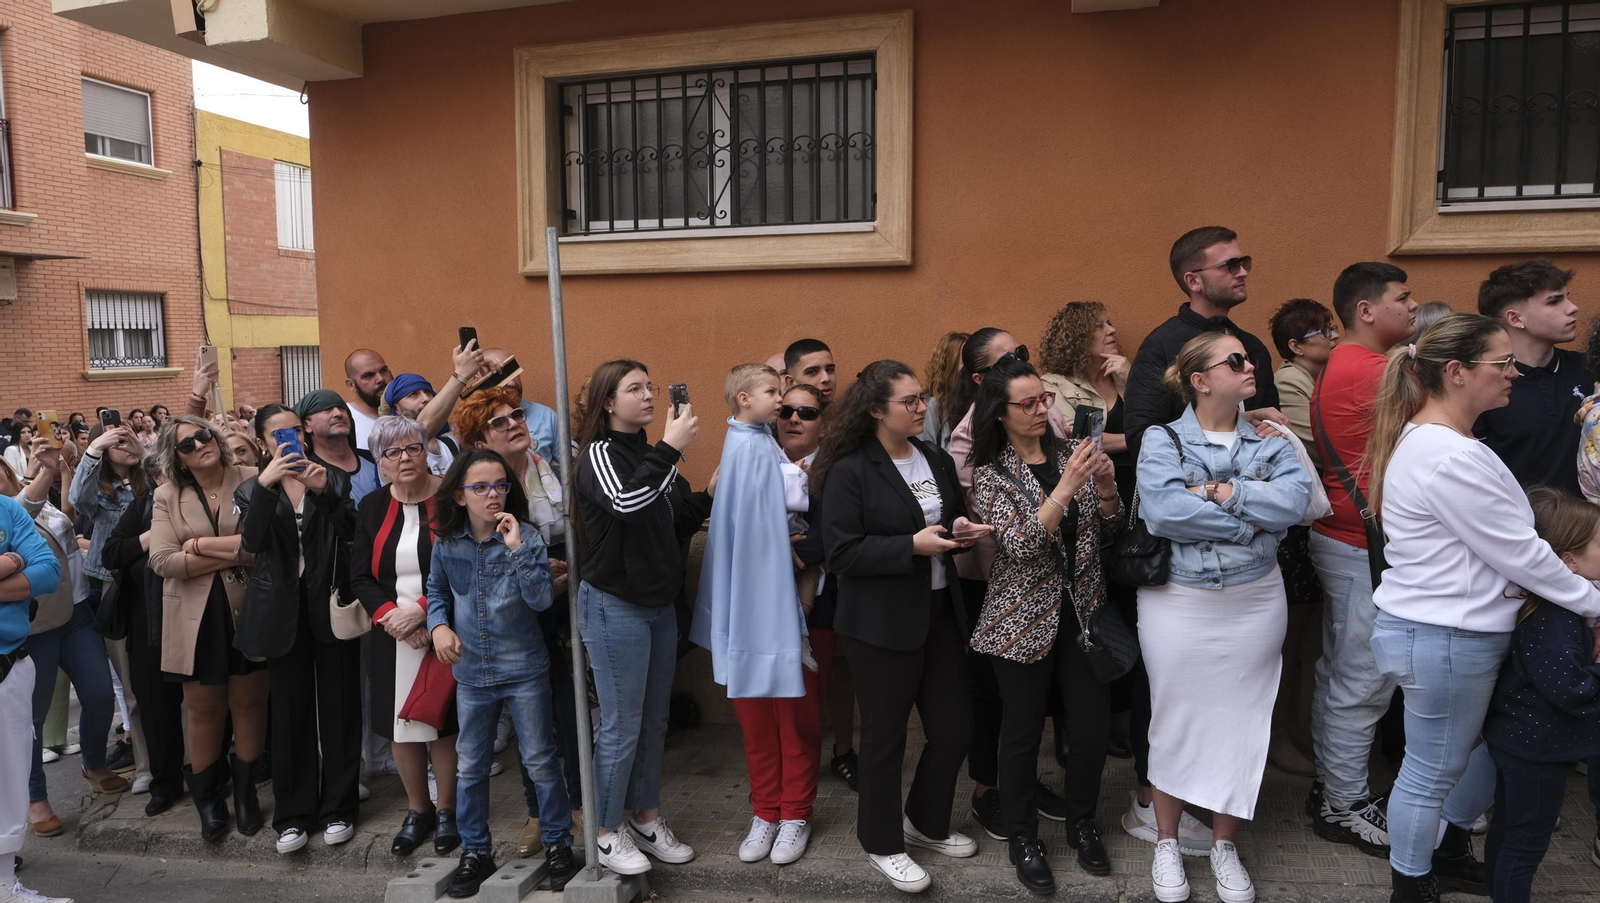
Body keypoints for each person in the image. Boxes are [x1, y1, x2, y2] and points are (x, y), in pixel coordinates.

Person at [1361, 313, 1600, 903]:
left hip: (1451, 634)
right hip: (1444, 638)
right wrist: (1595, 603)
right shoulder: (1450, 457)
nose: (1514, 372)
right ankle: (1411, 887)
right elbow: (1524, 555)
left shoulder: (1452, 444)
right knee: (1429, 771)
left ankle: (1445, 849)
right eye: (1502, 363)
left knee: (1479, 751)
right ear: (1457, 372)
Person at [1136, 330, 1312, 903]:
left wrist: (1215, 492)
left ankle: (1223, 845)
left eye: (1249, 358)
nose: (1249, 365)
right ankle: (1166, 842)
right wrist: (1245, 519)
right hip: (1179, 600)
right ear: (1200, 378)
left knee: (1242, 717)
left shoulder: (1270, 437)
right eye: (1234, 360)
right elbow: (1163, 511)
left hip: (1254, 599)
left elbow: (1294, 503)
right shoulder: (1163, 439)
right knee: (1176, 713)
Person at [814, 359, 990, 895]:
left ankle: (925, 822)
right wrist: (911, 547)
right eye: (909, 401)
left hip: (938, 613)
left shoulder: (931, 454)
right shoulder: (849, 469)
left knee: (956, 727)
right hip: (879, 623)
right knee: (886, 739)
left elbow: (943, 514)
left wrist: (957, 528)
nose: (921, 408)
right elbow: (840, 552)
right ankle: (883, 842)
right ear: (875, 410)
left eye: (921, 399)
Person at [968, 355, 1121, 895]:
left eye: (1044, 399)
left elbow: (1108, 531)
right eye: (1028, 403)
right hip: (1018, 623)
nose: (1041, 409)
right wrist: (1066, 486)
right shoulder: (988, 474)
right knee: (1022, 734)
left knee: (1090, 731)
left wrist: (1103, 487)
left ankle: (1082, 823)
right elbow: (1023, 545)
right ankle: (1023, 838)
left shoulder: (1069, 453)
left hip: (1083, 617)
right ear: (1000, 412)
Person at [574, 361, 712, 876]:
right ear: (609, 403)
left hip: (658, 605)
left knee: (653, 720)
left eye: (650, 386)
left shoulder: (652, 454)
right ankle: (606, 831)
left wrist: (710, 494)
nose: (649, 394)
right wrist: (671, 447)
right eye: (634, 388)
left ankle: (646, 818)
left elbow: (670, 516)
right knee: (621, 725)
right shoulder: (599, 453)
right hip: (615, 607)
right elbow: (628, 503)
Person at [944, 327, 1077, 842]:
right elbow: (971, 507)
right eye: (1008, 360)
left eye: (1023, 354)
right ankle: (987, 792)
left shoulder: (1046, 408)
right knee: (992, 695)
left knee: (1030, 703)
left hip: (1049, 578)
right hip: (991, 580)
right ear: (984, 384)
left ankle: (1018, 783)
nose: (1022, 363)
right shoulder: (969, 433)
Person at [1305, 263, 1417, 857]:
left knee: (1342, 672)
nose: (1414, 306)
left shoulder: (1343, 363)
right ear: (1366, 310)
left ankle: (1334, 785)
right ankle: (1342, 804)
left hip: (1346, 538)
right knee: (1362, 680)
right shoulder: (1374, 369)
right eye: (1403, 298)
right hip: (1360, 544)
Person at [427, 449, 574, 897]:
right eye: (481, 487)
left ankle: (558, 844)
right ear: (458, 496)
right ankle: (476, 850)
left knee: (540, 761)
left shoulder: (524, 536)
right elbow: (436, 590)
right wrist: (438, 626)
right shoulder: (448, 543)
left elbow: (540, 600)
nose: (493, 495)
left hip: (524, 668)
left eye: (501, 486)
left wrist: (516, 551)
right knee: (470, 767)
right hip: (471, 673)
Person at [692, 364, 817, 866]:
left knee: (793, 716)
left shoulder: (755, 438)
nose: (784, 405)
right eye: (776, 394)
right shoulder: (747, 443)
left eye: (800, 406)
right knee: (756, 719)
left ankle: (795, 814)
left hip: (784, 600)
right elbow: (759, 512)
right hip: (753, 597)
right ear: (745, 399)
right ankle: (765, 811)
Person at [449, 386, 580, 854]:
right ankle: (537, 814)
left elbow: (581, 532)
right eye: (499, 422)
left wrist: (563, 574)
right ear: (480, 440)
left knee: (572, 708)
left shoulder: (556, 469)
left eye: (517, 415)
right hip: (520, 613)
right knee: (536, 724)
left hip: (567, 597)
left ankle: (579, 810)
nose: (514, 424)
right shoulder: (486, 489)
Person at [235, 405, 360, 854]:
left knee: (340, 708)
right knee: (289, 715)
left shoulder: (330, 476)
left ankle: (340, 808)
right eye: (277, 434)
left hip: (329, 606)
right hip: (280, 613)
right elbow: (251, 543)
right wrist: (268, 486)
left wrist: (324, 491)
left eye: (293, 430)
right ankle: (293, 816)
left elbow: (352, 531)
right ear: (263, 442)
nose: (288, 439)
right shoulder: (253, 487)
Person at [148, 416, 268, 842]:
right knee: (202, 710)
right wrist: (236, 553)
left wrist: (196, 546)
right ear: (176, 458)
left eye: (203, 435)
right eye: (187, 444)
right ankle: (209, 802)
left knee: (249, 703)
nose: (200, 444)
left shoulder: (254, 478)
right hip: (194, 618)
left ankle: (246, 795)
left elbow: (269, 548)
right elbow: (163, 561)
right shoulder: (167, 494)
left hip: (250, 608)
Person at [1, 449, 128, 841]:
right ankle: (35, 797)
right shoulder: (19, 506)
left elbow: (61, 529)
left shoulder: (20, 506)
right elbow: (33, 503)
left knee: (99, 693)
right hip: (35, 628)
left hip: (75, 614)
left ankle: (94, 764)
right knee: (30, 719)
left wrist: (64, 470)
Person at [1480, 487, 1600, 902]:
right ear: (1568, 562)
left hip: (1522, 740)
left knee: (1510, 828)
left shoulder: (1550, 607)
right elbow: (1569, 687)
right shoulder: (1555, 618)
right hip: (1537, 747)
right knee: (1526, 843)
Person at [352, 416, 461, 858]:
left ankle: (449, 811)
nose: (404, 459)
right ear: (379, 463)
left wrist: (422, 615)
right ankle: (419, 811)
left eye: (412, 448)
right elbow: (359, 575)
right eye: (392, 453)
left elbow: (463, 566)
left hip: (443, 627)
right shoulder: (373, 507)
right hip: (391, 632)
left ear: (426, 450)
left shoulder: (453, 501)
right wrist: (390, 616)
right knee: (401, 727)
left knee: (441, 726)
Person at [1124, 226, 1285, 464]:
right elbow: (1142, 440)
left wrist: (1275, 428)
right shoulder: (1160, 347)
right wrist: (1234, 425)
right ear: (1194, 281)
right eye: (1230, 265)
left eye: (1243, 262)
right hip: (1188, 492)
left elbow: (1270, 431)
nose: (1242, 272)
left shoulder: (1253, 347)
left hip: (1256, 491)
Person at [1264, 298, 1340, 780]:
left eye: (1332, 327)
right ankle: (1277, 739)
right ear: (1295, 346)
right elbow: (1316, 445)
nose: (1332, 336)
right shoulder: (1290, 380)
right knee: (1286, 646)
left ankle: (1290, 733)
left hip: (1314, 527)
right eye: (1321, 331)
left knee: (1302, 643)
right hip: (1294, 531)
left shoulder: (1319, 379)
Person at [69, 424, 153, 795]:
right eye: (116, 441)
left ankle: (187, 759)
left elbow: (173, 479)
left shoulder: (150, 478)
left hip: (162, 576)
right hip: (115, 584)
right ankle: (147, 764)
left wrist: (144, 451)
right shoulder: (98, 491)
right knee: (131, 683)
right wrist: (92, 450)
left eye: (129, 436)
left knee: (175, 675)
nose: (126, 443)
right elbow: (76, 497)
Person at [100, 454, 185, 817]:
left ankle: (209, 778)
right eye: (167, 474)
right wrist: (153, 536)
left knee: (203, 705)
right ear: (153, 480)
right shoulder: (140, 508)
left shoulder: (199, 504)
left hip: (195, 620)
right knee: (154, 707)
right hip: (147, 626)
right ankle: (164, 783)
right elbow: (111, 554)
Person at [1474, 261, 1591, 497]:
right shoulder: (1482, 384)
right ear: (1515, 319)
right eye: (1554, 301)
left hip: (1590, 526)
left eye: (1567, 297)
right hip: (1519, 527)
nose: (1572, 308)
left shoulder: (1590, 368)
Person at [0, 492, 66, 903]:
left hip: (8, 665)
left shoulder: (5, 507)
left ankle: (5, 884)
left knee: (9, 779)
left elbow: (48, 572)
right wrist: (9, 563)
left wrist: (18, 561)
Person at [295, 389, 380, 506]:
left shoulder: (375, 459)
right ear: (307, 425)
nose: (338, 413)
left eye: (341, 408)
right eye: (327, 409)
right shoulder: (307, 473)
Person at [480, 348, 562, 466]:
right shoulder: (473, 425)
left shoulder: (547, 416)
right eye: (500, 375)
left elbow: (570, 467)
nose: (512, 383)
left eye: (514, 373)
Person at [385, 373, 459, 477]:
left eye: (427, 392)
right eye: (413, 394)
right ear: (397, 409)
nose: (426, 398)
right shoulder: (396, 456)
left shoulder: (451, 441)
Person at [919, 331, 969, 450]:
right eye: (966, 362)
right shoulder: (930, 407)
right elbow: (926, 453)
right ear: (949, 366)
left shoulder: (983, 401)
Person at [344, 349, 393, 451]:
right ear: (351, 385)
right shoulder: (344, 420)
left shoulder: (407, 412)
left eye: (383, 371)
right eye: (368, 375)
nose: (380, 379)